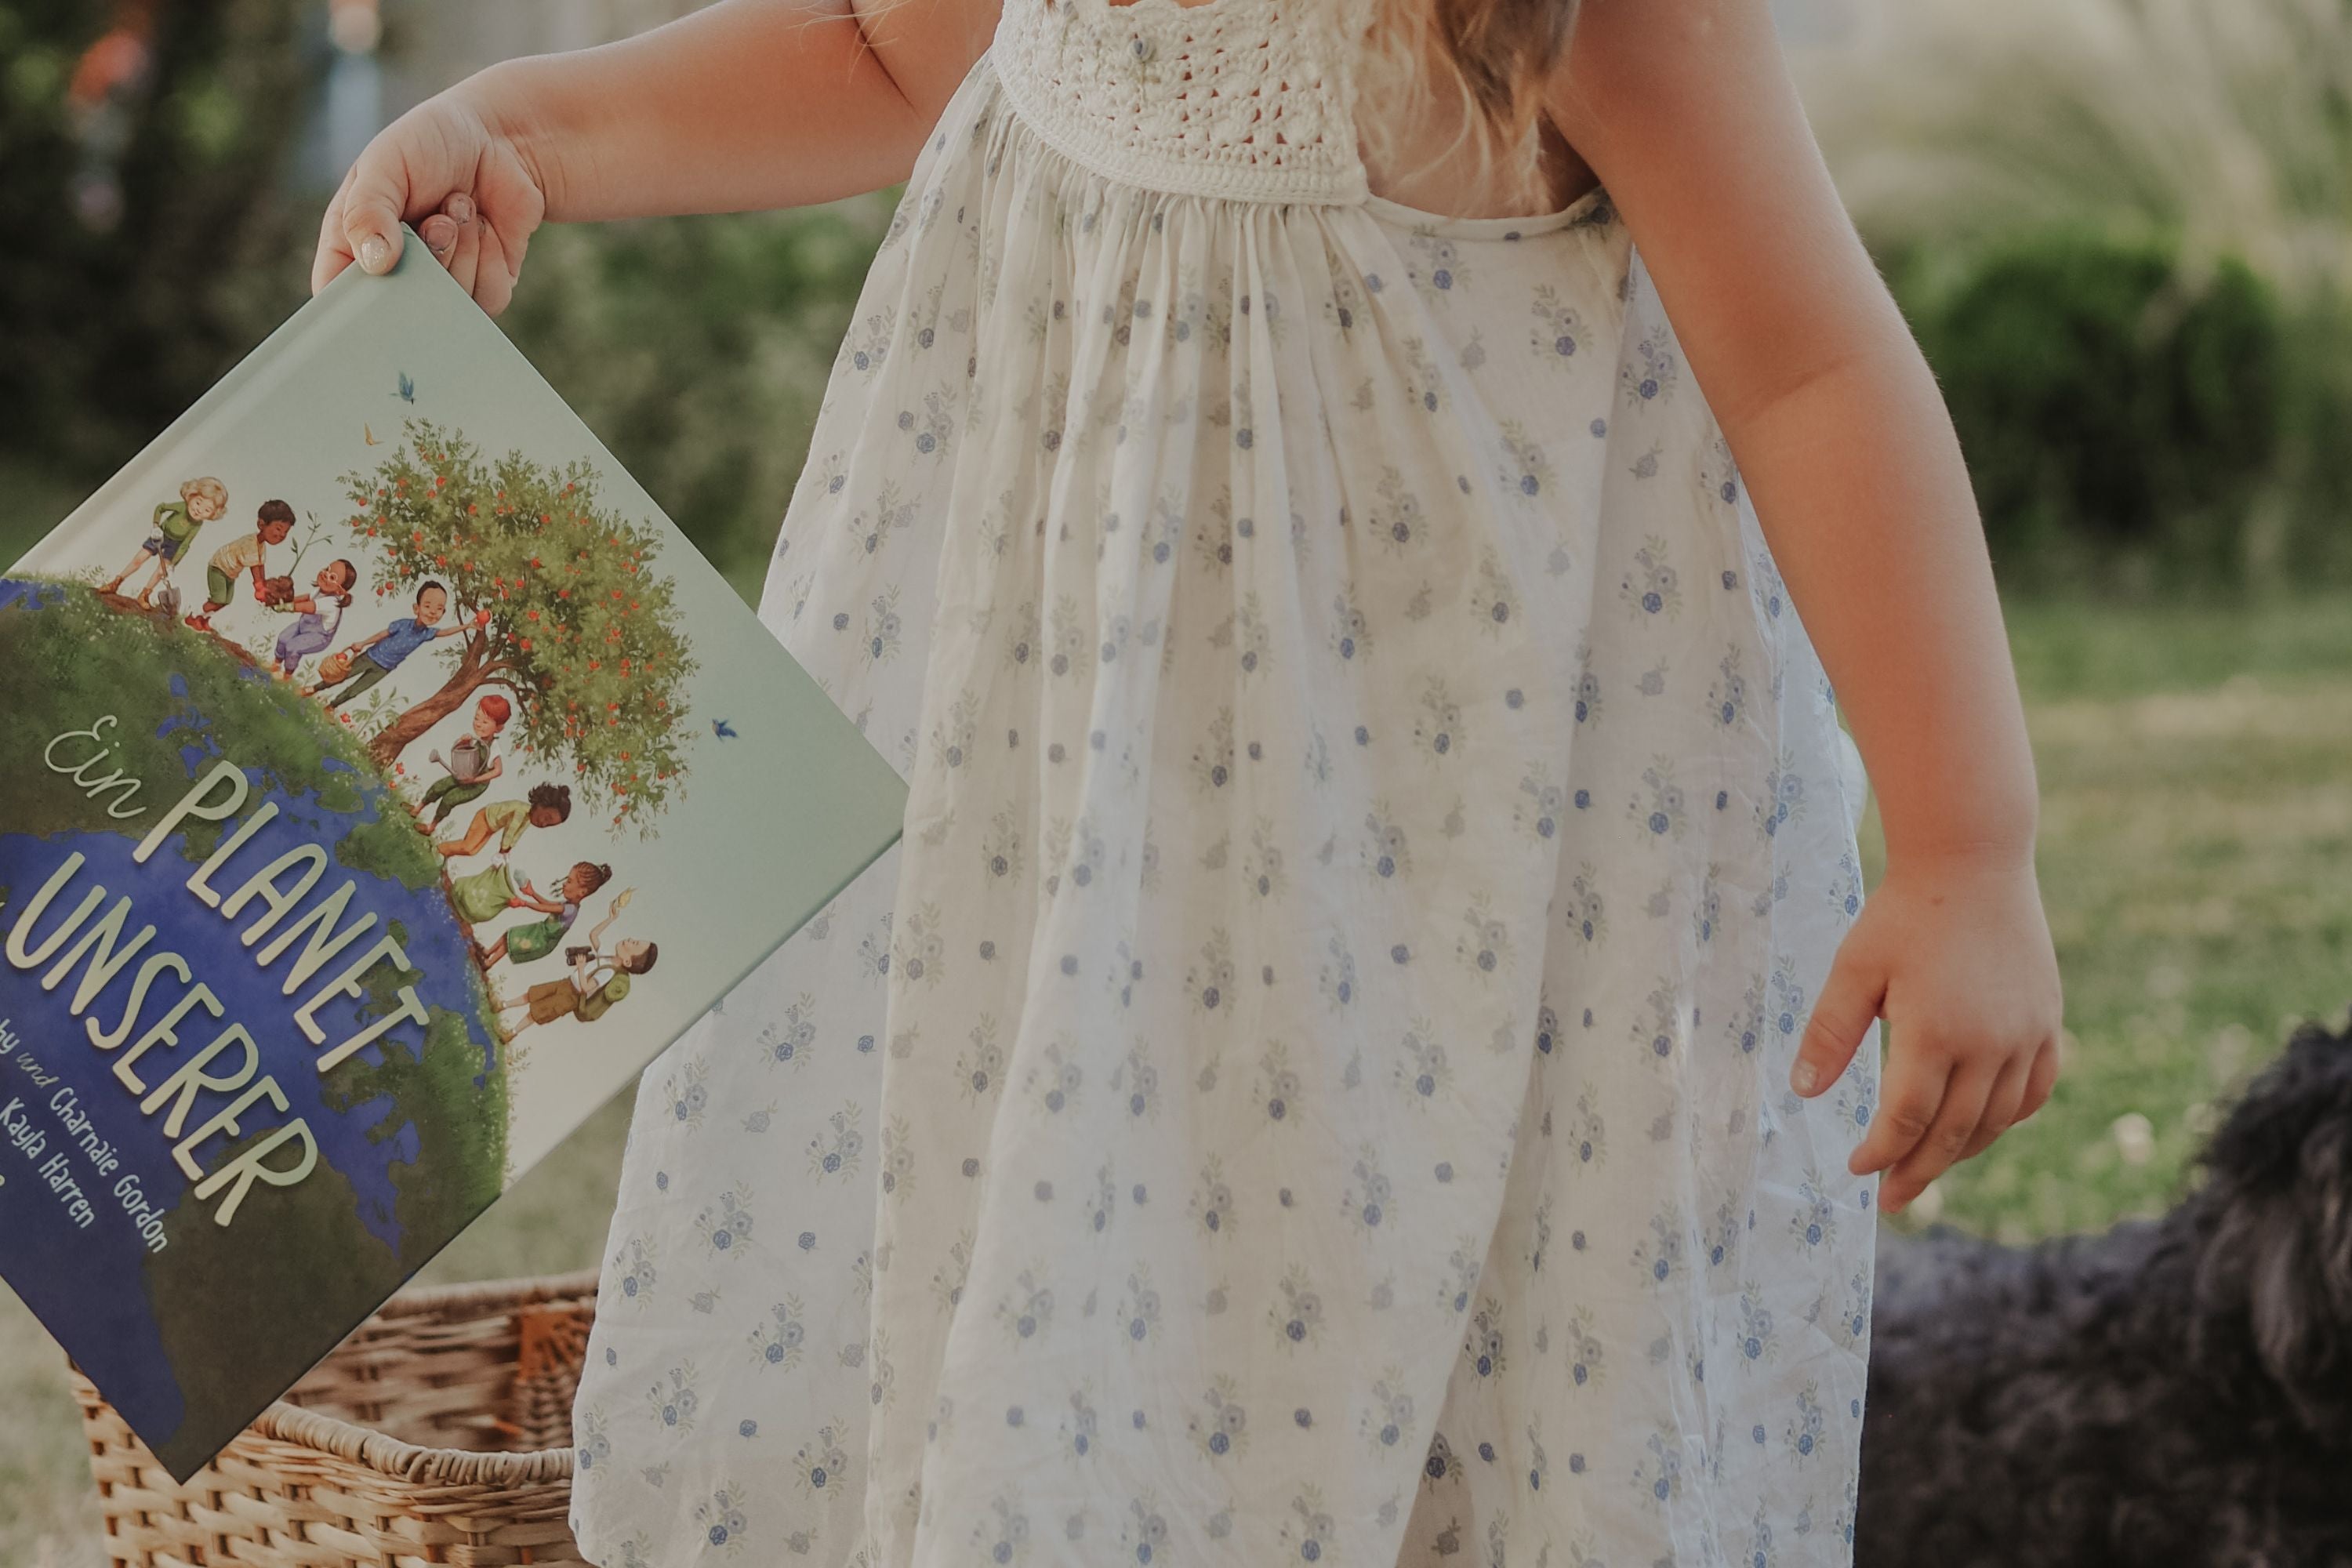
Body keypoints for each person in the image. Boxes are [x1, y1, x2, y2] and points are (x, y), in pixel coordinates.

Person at [315, 2, 2065, 1564]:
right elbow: (874, 54)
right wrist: (527, 130)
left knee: (1403, 1354)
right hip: (1065, 784)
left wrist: (1967, 848)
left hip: (1444, 848)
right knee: (1070, 1325)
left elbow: (1810, 367)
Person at [307, 579, 484, 708]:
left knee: (356, 690)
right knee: (341, 675)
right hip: (371, 656)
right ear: (417, 608)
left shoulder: (427, 633)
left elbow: (445, 632)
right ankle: (314, 688)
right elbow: (384, 633)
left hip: (385, 668)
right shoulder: (403, 624)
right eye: (428, 606)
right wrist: (363, 643)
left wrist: (468, 626)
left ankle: (331, 707)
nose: (432, 613)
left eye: (439, 609)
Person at [494, 933, 659, 1037]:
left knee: (536, 1013)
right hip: (565, 983)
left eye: (635, 944)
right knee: (532, 994)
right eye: (635, 940)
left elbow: (585, 988)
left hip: (571, 997)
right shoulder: (606, 956)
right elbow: (594, 935)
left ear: (628, 961)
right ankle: (502, 1005)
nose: (630, 939)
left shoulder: (609, 972)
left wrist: (581, 968)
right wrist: (611, 918)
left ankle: (511, 1033)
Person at [98, 475, 228, 607]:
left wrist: (173, 564)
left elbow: (185, 545)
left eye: (207, 510)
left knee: (162, 571)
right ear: (191, 496)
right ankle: (115, 583)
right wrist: (156, 526)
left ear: (213, 514)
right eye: (198, 502)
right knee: (139, 559)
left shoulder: (197, 525)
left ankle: (144, 595)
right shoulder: (182, 507)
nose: (199, 510)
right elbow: (161, 508)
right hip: (161, 535)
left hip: (175, 545)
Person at [476, 859, 612, 971]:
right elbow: (548, 904)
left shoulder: (570, 910)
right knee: (509, 934)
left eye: (569, 881)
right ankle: (488, 952)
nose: (564, 884)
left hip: (541, 940)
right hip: (539, 931)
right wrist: (532, 893)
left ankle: (489, 963)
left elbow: (544, 908)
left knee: (511, 942)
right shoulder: (568, 905)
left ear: (581, 892)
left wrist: (524, 903)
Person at [186, 498, 296, 633]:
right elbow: (255, 568)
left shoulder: (261, 545)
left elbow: (260, 565)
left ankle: (203, 619)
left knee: (226, 601)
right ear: (261, 524)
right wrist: (259, 588)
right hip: (219, 567)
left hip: (230, 572)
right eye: (278, 529)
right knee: (218, 599)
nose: (281, 535)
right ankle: (192, 616)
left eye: (285, 532)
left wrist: (264, 584)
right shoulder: (250, 543)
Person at [412, 692, 511, 828]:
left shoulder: (493, 747)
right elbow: (459, 752)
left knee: (449, 799)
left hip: (476, 785)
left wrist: (474, 780)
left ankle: (431, 827)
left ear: (499, 728)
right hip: (463, 774)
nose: (478, 724)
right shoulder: (476, 741)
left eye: (485, 722)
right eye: (477, 719)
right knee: (439, 787)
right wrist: (462, 742)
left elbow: (498, 771)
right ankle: (416, 809)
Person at [436, 780, 572, 861]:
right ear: (542, 803)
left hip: (492, 826)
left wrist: (509, 849)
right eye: (547, 818)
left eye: (549, 824)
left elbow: (517, 834)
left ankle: (443, 856)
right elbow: (510, 830)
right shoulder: (520, 811)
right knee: (467, 846)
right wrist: (503, 849)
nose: (543, 824)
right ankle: (437, 850)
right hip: (485, 818)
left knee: (472, 851)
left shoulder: (528, 819)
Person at [270, 557, 360, 681]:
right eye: (327, 569)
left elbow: (309, 607)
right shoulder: (320, 591)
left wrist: (286, 607)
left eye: (332, 577)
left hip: (318, 637)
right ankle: (276, 664)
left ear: (340, 590)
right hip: (304, 626)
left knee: (292, 647)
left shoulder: (332, 603)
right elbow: (307, 598)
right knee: (283, 637)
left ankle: (287, 676)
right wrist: (288, 599)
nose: (326, 575)